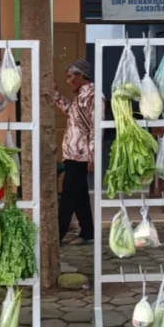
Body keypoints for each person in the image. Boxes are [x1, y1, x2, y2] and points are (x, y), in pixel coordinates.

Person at [50, 58, 96, 245]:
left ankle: (56, 237)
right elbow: (71, 113)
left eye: (70, 77)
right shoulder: (81, 96)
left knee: (68, 196)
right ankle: (87, 232)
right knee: (80, 195)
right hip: (72, 155)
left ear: (80, 76)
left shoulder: (93, 96)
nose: (68, 81)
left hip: (81, 156)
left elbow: (95, 127)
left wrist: (92, 156)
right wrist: (55, 94)